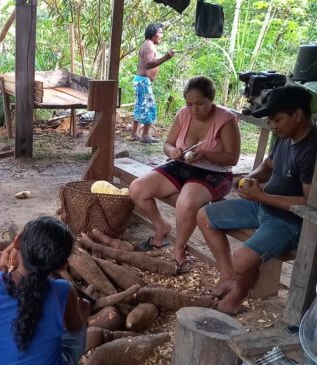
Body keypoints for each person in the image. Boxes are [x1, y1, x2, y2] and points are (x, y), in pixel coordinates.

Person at [197, 85, 316, 315]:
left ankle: (238, 294)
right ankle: (228, 277)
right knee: (204, 215)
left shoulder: (312, 150)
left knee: (241, 260)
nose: (272, 125)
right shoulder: (284, 136)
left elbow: (309, 203)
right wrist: (250, 178)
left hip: (290, 222)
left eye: (277, 119)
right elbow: (268, 166)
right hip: (263, 205)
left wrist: (263, 196)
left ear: (298, 115)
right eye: (270, 120)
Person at [129, 76, 241, 273]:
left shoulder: (226, 119)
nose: (194, 109)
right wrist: (173, 152)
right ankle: (161, 226)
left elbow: (232, 159)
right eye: (189, 104)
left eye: (199, 104)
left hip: (214, 173)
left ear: (211, 99)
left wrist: (206, 154)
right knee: (137, 188)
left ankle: (179, 249)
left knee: (186, 202)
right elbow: (168, 144)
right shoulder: (183, 114)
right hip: (182, 165)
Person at [0, 216, 90, 365]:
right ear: (62, 266)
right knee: (79, 320)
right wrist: (83, 311)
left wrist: (0, 269)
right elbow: (74, 327)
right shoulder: (63, 291)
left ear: (16, 242)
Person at [132, 23, 175, 143]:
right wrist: (166, 58)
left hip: (141, 81)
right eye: (160, 32)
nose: (162, 35)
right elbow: (149, 63)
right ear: (153, 34)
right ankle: (145, 135)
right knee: (148, 107)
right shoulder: (149, 46)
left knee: (140, 106)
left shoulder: (147, 45)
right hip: (143, 82)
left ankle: (134, 133)